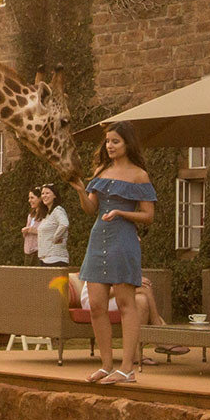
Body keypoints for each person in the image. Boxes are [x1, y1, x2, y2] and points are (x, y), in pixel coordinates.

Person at [71, 121, 156, 385]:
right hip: (98, 240)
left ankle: (127, 368)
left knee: (125, 304)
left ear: (127, 144)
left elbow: (149, 216)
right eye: (107, 141)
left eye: (115, 141)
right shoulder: (101, 171)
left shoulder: (139, 175)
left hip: (123, 240)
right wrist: (78, 190)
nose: (109, 146)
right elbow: (89, 209)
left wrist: (120, 212)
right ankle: (106, 366)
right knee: (97, 305)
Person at [33, 183, 70, 267]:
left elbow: (64, 224)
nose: (44, 196)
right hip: (45, 259)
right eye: (42, 193)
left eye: (47, 193)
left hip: (55, 259)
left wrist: (55, 237)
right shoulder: (47, 214)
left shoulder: (58, 210)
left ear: (55, 195)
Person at [20, 189, 43, 265]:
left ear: (40, 198)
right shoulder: (30, 215)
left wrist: (31, 230)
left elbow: (45, 232)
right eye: (29, 198)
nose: (29, 200)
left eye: (32, 198)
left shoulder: (45, 215)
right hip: (28, 252)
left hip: (38, 252)